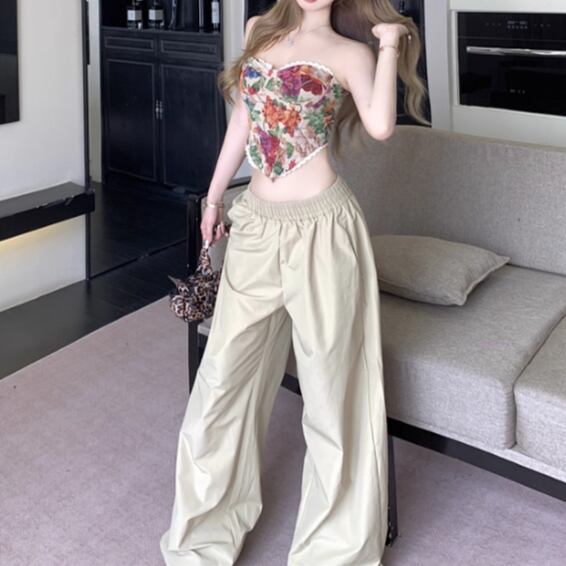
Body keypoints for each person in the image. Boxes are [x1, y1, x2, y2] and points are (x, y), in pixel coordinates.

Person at [160, 1, 428, 564]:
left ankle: (331, 552)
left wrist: (389, 43)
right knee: (221, 384)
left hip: (324, 231)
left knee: (332, 395)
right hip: (255, 225)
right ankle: (201, 540)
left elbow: (381, 125)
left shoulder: (352, 52)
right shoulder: (258, 29)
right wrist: (214, 197)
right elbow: (243, 121)